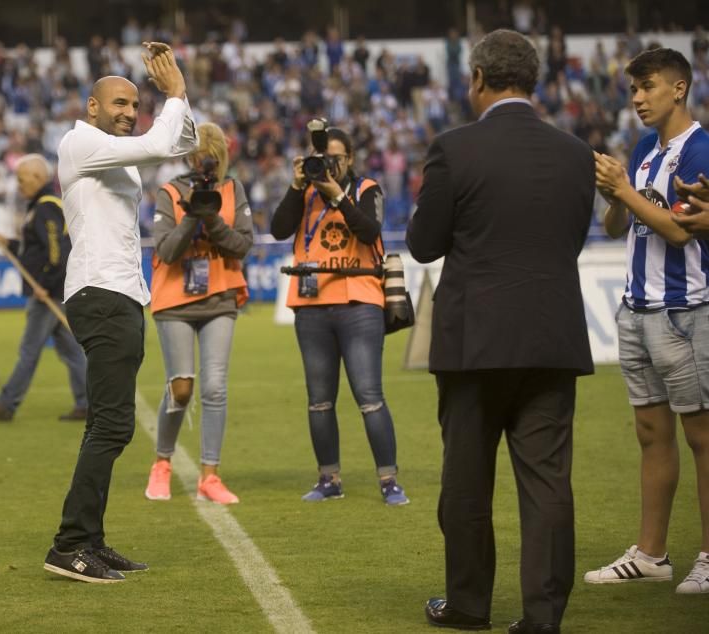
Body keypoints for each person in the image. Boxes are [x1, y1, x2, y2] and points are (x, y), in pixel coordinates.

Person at [407, 30, 594, 633]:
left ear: (479, 80)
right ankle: (543, 617)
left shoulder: (454, 148)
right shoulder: (574, 152)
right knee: (547, 486)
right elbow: (572, 238)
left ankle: (468, 605)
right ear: (532, 82)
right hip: (551, 336)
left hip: (474, 343)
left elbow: (424, 243)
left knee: (466, 482)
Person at [43, 43, 198, 584]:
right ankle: (69, 544)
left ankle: (91, 540)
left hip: (119, 294)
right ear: (91, 107)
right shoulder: (80, 141)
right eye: (119, 104)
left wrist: (179, 98)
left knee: (112, 425)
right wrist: (174, 94)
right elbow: (164, 141)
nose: (130, 112)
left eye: (136, 104)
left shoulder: (111, 152)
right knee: (111, 424)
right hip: (102, 294)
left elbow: (182, 140)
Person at [587, 47, 709, 596]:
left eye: (648, 87)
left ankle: (708, 557)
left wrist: (626, 191)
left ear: (679, 89)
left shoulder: (702, 150)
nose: (636, 98)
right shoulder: (641, 148)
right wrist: (613, 196)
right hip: (637, 310)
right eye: (633, 89)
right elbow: (618, 228)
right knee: (650, 435)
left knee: (702, 438)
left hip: (685, 312)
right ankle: (652, 553)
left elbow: (681, 231)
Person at [270, 125, 408, 506]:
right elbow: (279, 228)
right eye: (323, 159)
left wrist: (338, 196)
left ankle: (389, 480)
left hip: (360, 301)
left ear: (349, 160)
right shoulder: (306, 192)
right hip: (312, 306)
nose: (329, 165)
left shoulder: (366, 189)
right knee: (319, 400)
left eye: (336, 158)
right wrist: (297, 187)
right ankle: (328, 478)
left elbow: (369, 231)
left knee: (369, 396)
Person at [143, 122, 252, 505]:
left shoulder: (232, 189)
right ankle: (162, 463)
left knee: (215, 387)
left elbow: (242, 245)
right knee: (182, 386)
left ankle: (210, 474)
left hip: (220, 296)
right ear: (190, 156)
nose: (209, 163)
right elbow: (167, 252)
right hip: (174, 299)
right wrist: (192, 215)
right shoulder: (170, 192)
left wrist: (212, 219)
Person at [0, 155, 88, 423]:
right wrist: (9, 244)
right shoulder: (43, 207)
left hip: (48, 292)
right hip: (59, 290)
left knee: (29, 351)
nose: (19, 185)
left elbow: (55, 253)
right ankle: (88, 402)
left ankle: (6, 403)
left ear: (38, 178)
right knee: (71, 351)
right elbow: (35, 249)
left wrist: (44, 284)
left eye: (22, 179)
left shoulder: (46, 208)